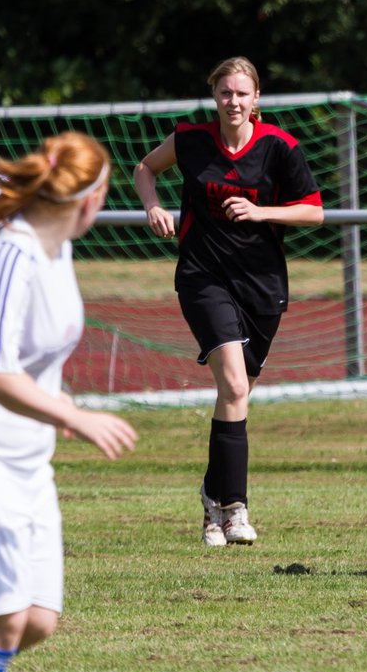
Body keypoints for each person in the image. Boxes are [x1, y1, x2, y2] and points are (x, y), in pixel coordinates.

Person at [0, 131, 138, 672]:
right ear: (92, 199)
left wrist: (56, 401)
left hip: (26, 462)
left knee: (36, 620)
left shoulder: (56, 247)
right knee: (0, 624)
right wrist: (72, 416)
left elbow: (33, 351)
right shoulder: (7, 252)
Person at [133, 56, 323, 547]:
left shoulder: (280, 148)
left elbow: (314, 213)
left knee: (235, 397)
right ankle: (234, 509)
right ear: (213, 96)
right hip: (203, 278)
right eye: (224, 93)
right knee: (235, 386)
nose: (232, 101)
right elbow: (145, 169)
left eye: (241, 93)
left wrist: (261, 211)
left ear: (255, 99)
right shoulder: (191, 140)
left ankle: (210, 499)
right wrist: (152, 205)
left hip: (261, 284)